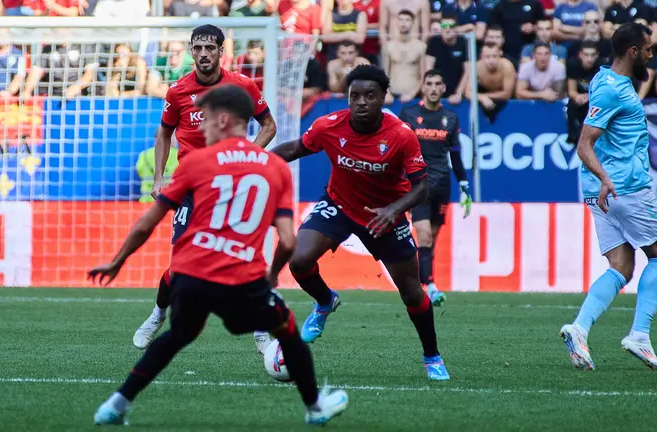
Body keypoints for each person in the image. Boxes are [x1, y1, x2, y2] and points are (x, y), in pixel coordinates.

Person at [89, 85, 349, 426]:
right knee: (287, 331)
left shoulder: (196, 162)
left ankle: (115, 405)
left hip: (190, 276)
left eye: (207, 121)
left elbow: (146, 223)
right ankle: (316, 408)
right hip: (244, 280)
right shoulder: (275, 168)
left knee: (178, 335)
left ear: (224, 120)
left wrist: (117, 261)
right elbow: (287, 240)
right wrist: (271, 275)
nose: (202, 128)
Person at [268, 65, 451, 381]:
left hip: (385, 216)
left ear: (383, 97)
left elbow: (422, 188)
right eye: (355, 96)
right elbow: (295, 148)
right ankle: (325, 301)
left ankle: (432, 356)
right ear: (347, 98)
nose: (361, 102)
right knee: (299, 260)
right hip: (338, 205)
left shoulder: (401, 135)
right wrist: (253, 157)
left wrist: (394, 210)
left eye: (370, 96)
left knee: (411, 292)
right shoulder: (329, 125)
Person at [133, 24, 277, 352]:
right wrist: (158, 179)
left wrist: (248, 159)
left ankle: (260, 329)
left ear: (221, 52)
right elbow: (164, 134)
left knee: (247, 257)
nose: (203, 54)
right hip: (194, 188)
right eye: (197, 48)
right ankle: (158, 315)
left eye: (209, 48)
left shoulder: (242, 86)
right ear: (190, 51)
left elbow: (269, 125)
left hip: (233, 189)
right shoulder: (178, 92)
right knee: (182, 263)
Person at [560, 23, 657, 371]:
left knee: (621, 267)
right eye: (648, 49)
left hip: (601, 191)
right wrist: (607, 178)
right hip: (626, 187)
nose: (652, 55)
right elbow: (584, 144)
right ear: (632, 52)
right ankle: (639, 334)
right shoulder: (616, 91)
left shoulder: (602, 80)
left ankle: (579, 330)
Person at [398, 70, 471, 306]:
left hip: (442, 184)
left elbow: (456, 155)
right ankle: (429, 286)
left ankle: (423, 282)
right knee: (424, 235)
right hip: (417, 184)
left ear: (443, 88)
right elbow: (397, 149)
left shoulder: (450, 118)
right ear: (423, 87)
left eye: (437, 84)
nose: (432, 88)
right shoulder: (409, 114)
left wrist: (464, 183)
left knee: (432, 239)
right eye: (428, 83)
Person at [382, 9, 427, 103]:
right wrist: (387, 93)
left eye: (407, 20)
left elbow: (423, 76)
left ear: (413, 22)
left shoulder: (421, 46)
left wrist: (412, 94)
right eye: (400, 19)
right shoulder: (388, 46)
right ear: (396, 22)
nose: (403, 23)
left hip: (413, 96)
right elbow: (384, 74)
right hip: (392, 96)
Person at [425, 13, 470, 104]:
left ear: (456, 28)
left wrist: (458, 94)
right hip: (437, 91)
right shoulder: (434, 42)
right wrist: (432, 92)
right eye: (444, 26)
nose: (448, 29)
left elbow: (468, 71)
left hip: (458, 91)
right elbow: (429, 70)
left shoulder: (463, 43)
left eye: (451, 26)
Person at [466, 43, 515, 122]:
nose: (491, 60)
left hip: (505, 102)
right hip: (486, 95)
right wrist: (482, 98)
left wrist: (484, 96)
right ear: (482, 56)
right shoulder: (477, 67)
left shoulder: (507, 67)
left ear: (500, 55)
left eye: (494, 56)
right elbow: (468, 92)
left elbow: (507, 94)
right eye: (487, 57)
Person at [565, 41, 602, 146]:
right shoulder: (573, 64)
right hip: (579, 97)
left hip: (596, 99)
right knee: (571, 104)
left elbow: (603, 92)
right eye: (586, 55)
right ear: (580, 55)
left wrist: (590, 97)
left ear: (597, 55)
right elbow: (571, 90)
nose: (589, 59)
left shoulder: (601, 67)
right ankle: (572, 136)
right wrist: (578, 96)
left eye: (592, 55)